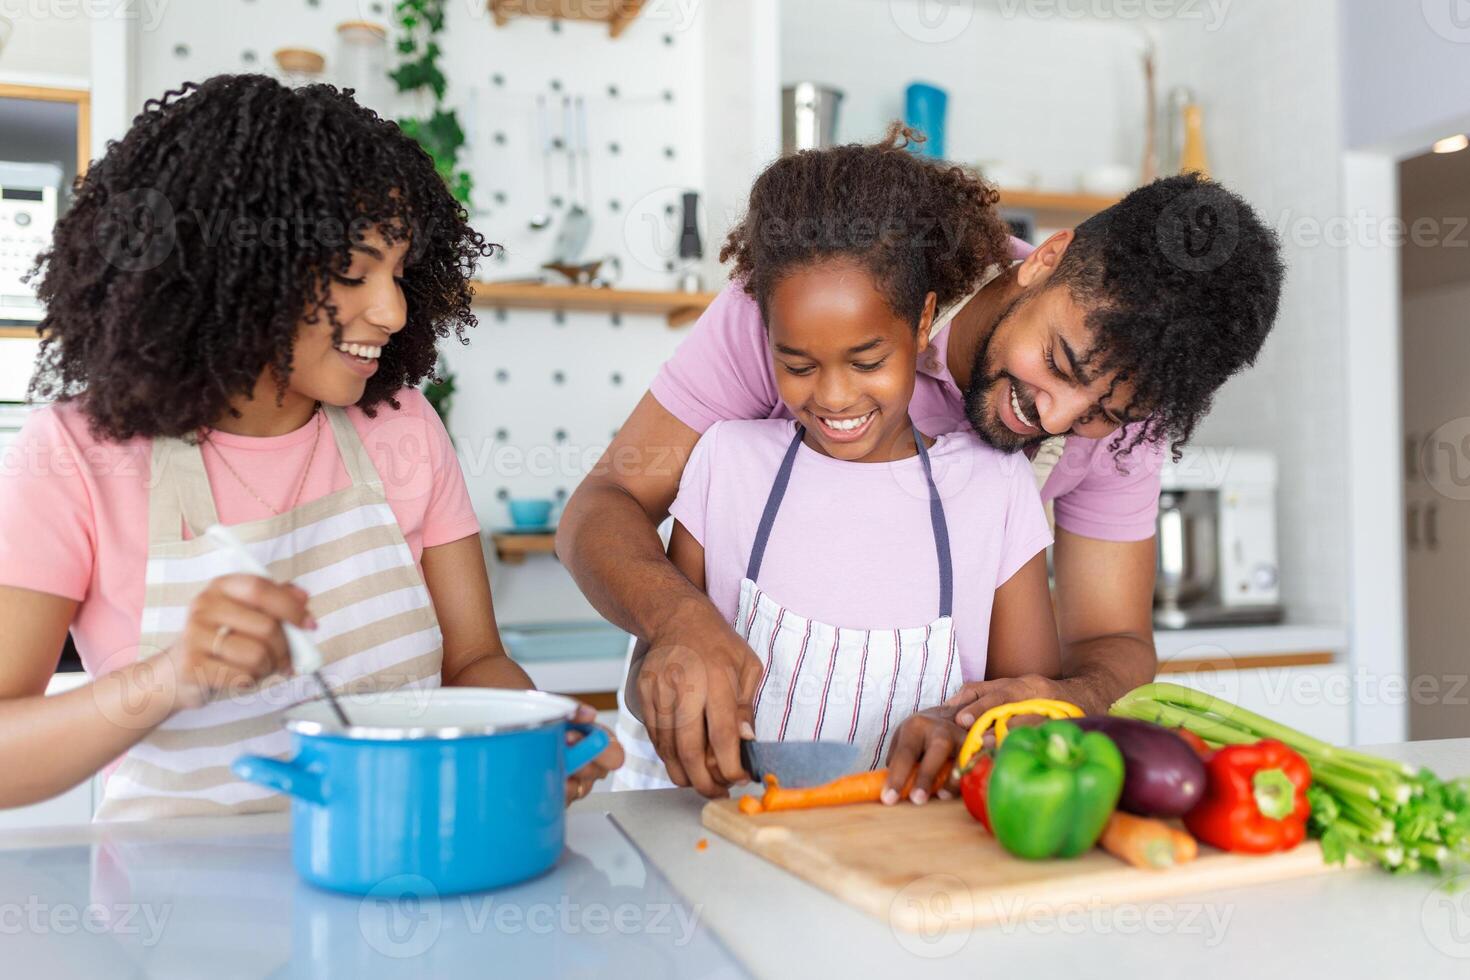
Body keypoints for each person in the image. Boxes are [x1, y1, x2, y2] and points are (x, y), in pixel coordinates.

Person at [562, 146, 1285, 798]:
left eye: (1104, 412)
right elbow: (604, 504)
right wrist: (679, 621)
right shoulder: (828, 296)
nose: (1059, 418)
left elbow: (1114, 645)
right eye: (1060, 365)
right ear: (1047, 259)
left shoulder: (1121, 432)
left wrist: (1060, 696)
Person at [0, 75, 621, 819]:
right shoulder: (76, 454)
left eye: (399, 271)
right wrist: (170, 676)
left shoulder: (404, 427)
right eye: (354, 273)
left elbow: (473, 662)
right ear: (235, 265)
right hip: (175, 917)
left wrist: (528, 732)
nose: (391, 310)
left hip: (403, 875)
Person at [611, 128, 1059, 796]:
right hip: (724, 843)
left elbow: (1031, 713)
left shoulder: (994, 492)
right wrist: (668, 681)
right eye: (796, 364)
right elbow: (655, 660)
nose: (834, 396)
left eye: (867, 361)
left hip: (904, 864)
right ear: (763, 336)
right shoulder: (727, 465)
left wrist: (963, 727)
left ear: (922, 322)